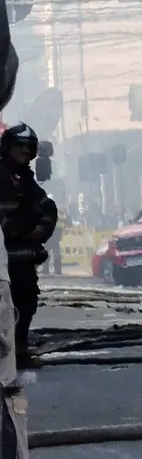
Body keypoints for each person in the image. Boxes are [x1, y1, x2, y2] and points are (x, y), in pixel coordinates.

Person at [0, 125, 54, 368]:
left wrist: (42, 226)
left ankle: (18, 349)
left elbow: (46, 207)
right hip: (4, 255)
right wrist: (25, 225)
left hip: (22, 256)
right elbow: (7, 217)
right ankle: (10, 352)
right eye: (19, 146)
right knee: (7, 304)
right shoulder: (2, 174)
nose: (24, 150)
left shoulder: (25, 177)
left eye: (27, 147)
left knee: (26, 301)